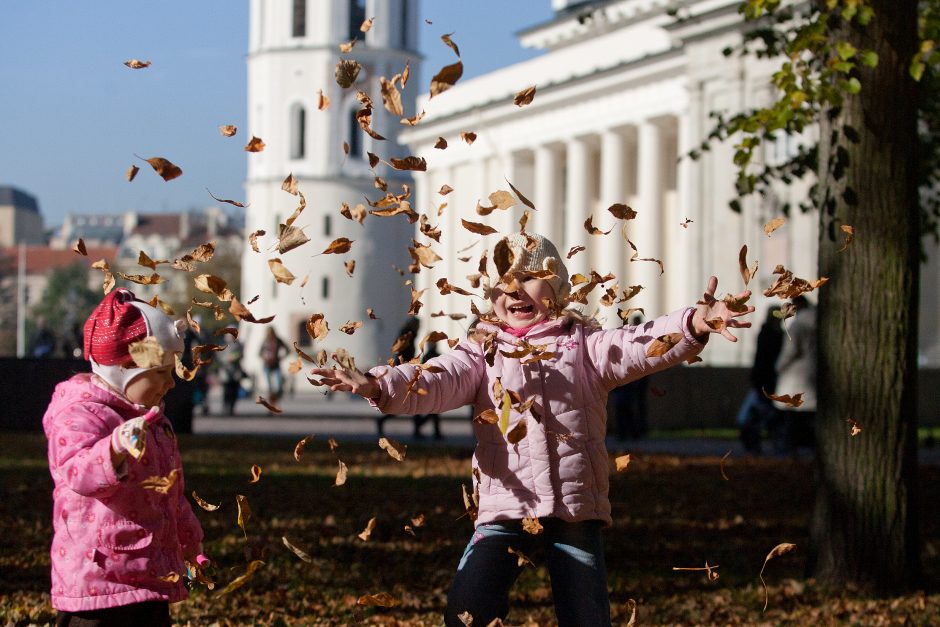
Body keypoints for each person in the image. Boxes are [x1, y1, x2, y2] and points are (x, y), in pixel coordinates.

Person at [311, 232, 753, 626]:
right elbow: (434, 380)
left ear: (556, 286)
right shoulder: (481, 352)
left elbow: (638, 346)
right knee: (467, 611)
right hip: (506, 504)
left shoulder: (585, 346)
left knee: (585, 615)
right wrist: (377, 383)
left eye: (528, 277)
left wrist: (693, 323)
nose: (514, 290)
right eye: (503, 282)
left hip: (573, 504)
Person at [42, 288, 207, 627]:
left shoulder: (154, 423)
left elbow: (169, 493)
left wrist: (189, 541)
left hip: (148, 578)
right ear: (125, 368)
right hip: (97, 584)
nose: (171, 383)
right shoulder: (81, 414)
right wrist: (113, 449)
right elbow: (76, 472)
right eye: (160, 373)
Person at [735, 306, 784, 454]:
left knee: (753, 418)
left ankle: (755, 446)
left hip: (763, 382)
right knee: (759, 417)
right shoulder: (774, 335)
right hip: (767, 382)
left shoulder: (767, 334)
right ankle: (760, 445)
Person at [773, 295, 817, 453]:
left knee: (791, 418)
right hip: (813, 373)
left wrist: (778, 367)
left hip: (796, 376)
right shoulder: (818, 322)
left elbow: (789, 352)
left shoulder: (798, 326)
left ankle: (790, 450)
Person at [376, 317, 420, 436]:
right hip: (404, 372)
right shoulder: (407, 336)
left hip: (406, 370)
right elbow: (401, 354)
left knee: (411, 400)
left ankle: (417, 429)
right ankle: (417, 430)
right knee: (409, 400)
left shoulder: (408, 335)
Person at [609, 314, 649, 441]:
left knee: (627, 407)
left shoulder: (631, 337)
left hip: (631, 378)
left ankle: (629, 433)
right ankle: (631, 433)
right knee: (629, 407)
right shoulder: (639, 337)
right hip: (633, 377)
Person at [412, 342, 443, 440]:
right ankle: (432, 431)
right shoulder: (435, 356)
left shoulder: (426, 357)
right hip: (433, 386)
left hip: (428, 386)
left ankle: (421, 429)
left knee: (431, 410)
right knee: (434, 410)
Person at [259, 327, 288, 406]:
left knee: (279, 386)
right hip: (267, 365)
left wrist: (281, 357)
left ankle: (276, 398)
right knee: (270, 387)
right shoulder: (265, 341)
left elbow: (287, 349)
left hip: (276, 364)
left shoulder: (278, 341)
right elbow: (259, 352)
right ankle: (271, 403)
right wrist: (264, 357)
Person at [218, 333, 244, 416]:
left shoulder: (238, 345)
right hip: (225, 371)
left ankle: (231, 407)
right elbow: (218, 355)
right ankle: (225, 406)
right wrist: (226, 359)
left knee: (234, 390)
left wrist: (235, 357)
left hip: (235, 371)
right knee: (226, 390)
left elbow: (241, 354)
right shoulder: (222, 344)